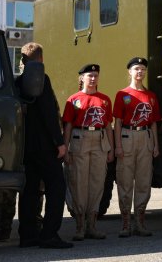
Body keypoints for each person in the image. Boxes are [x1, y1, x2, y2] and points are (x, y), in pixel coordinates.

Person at [16, 42, 73, 248]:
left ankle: (28, 235)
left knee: (30, 191)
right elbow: (49, 113)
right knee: (56, 187)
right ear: (40, 60)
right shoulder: (42, 79)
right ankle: (49, 234)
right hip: (45, 147)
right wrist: (59, 143)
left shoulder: (18, 82)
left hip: (25, 147)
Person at [62, 64, 115, 241]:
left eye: (96, 76)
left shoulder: (105, 100)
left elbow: (108, 125)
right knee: (79, 182)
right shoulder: (73, 99)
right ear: (82, 78)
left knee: (97, 183)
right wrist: (66, 148)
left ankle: (92, 225)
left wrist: (111, 148)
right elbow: (68, 126)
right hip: (80, 139)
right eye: (90, 75)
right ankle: (79, 226)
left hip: (99, 140)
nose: (93, 79)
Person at [113, 57, 161, 237]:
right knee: (125, 179)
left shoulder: (151, 96)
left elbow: (154, 122)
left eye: (142, 69)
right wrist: (118, 145)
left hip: (145, 137)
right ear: (130, 72)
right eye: (136, 69)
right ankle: (126, 222)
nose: (140, 72)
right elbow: (117, 122)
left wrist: (155, 144)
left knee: (143, 180)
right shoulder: (122, 94)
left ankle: (140, 221)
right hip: (127, 136)